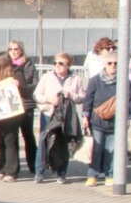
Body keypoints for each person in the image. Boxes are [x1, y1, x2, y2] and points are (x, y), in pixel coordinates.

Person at [33, 52, 86, 183]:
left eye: (61, 63)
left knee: (63, 144)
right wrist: (49, 99)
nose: (57, 65)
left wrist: (71, 95)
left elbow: (82, 97)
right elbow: (36, 95)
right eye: (55, 63)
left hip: (67, 116)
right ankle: (39, 172)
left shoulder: (76, 78)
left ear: (68, 65)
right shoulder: (47, 77)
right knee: (43, 142)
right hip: (49, 114)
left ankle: (61, 173)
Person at [82, 52, 120, 186]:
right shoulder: (95, 80)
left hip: (115, 124)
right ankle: (93, 175)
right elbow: (88, 100)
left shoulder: (123, 82)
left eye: (116, 63)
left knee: (111, 151)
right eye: (110, 63)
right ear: (104, 64)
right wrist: (85, 116)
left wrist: (129, 117)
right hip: (97, 122)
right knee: (97, 149)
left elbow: (130, 100)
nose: (113, 66)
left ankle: (110, 175)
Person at [0, 53, 26, 183]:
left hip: (12, 113)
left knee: (10, 140)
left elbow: (26, 90)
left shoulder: (16, 72)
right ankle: (2, 168)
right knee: (1, 140)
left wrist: (18, 86)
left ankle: (12, 170)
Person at [7, 40, 39, 174]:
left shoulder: (29, 64)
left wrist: (22, 86)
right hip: (11, 104)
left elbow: (35, 83)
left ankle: (34, 165)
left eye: (16, 49)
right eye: (11, 49)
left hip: (26, 104)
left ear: (21, 50)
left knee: (28, 136)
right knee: (12, 137)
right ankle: (14, 167)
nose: (13, 52)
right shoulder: (7, 65)